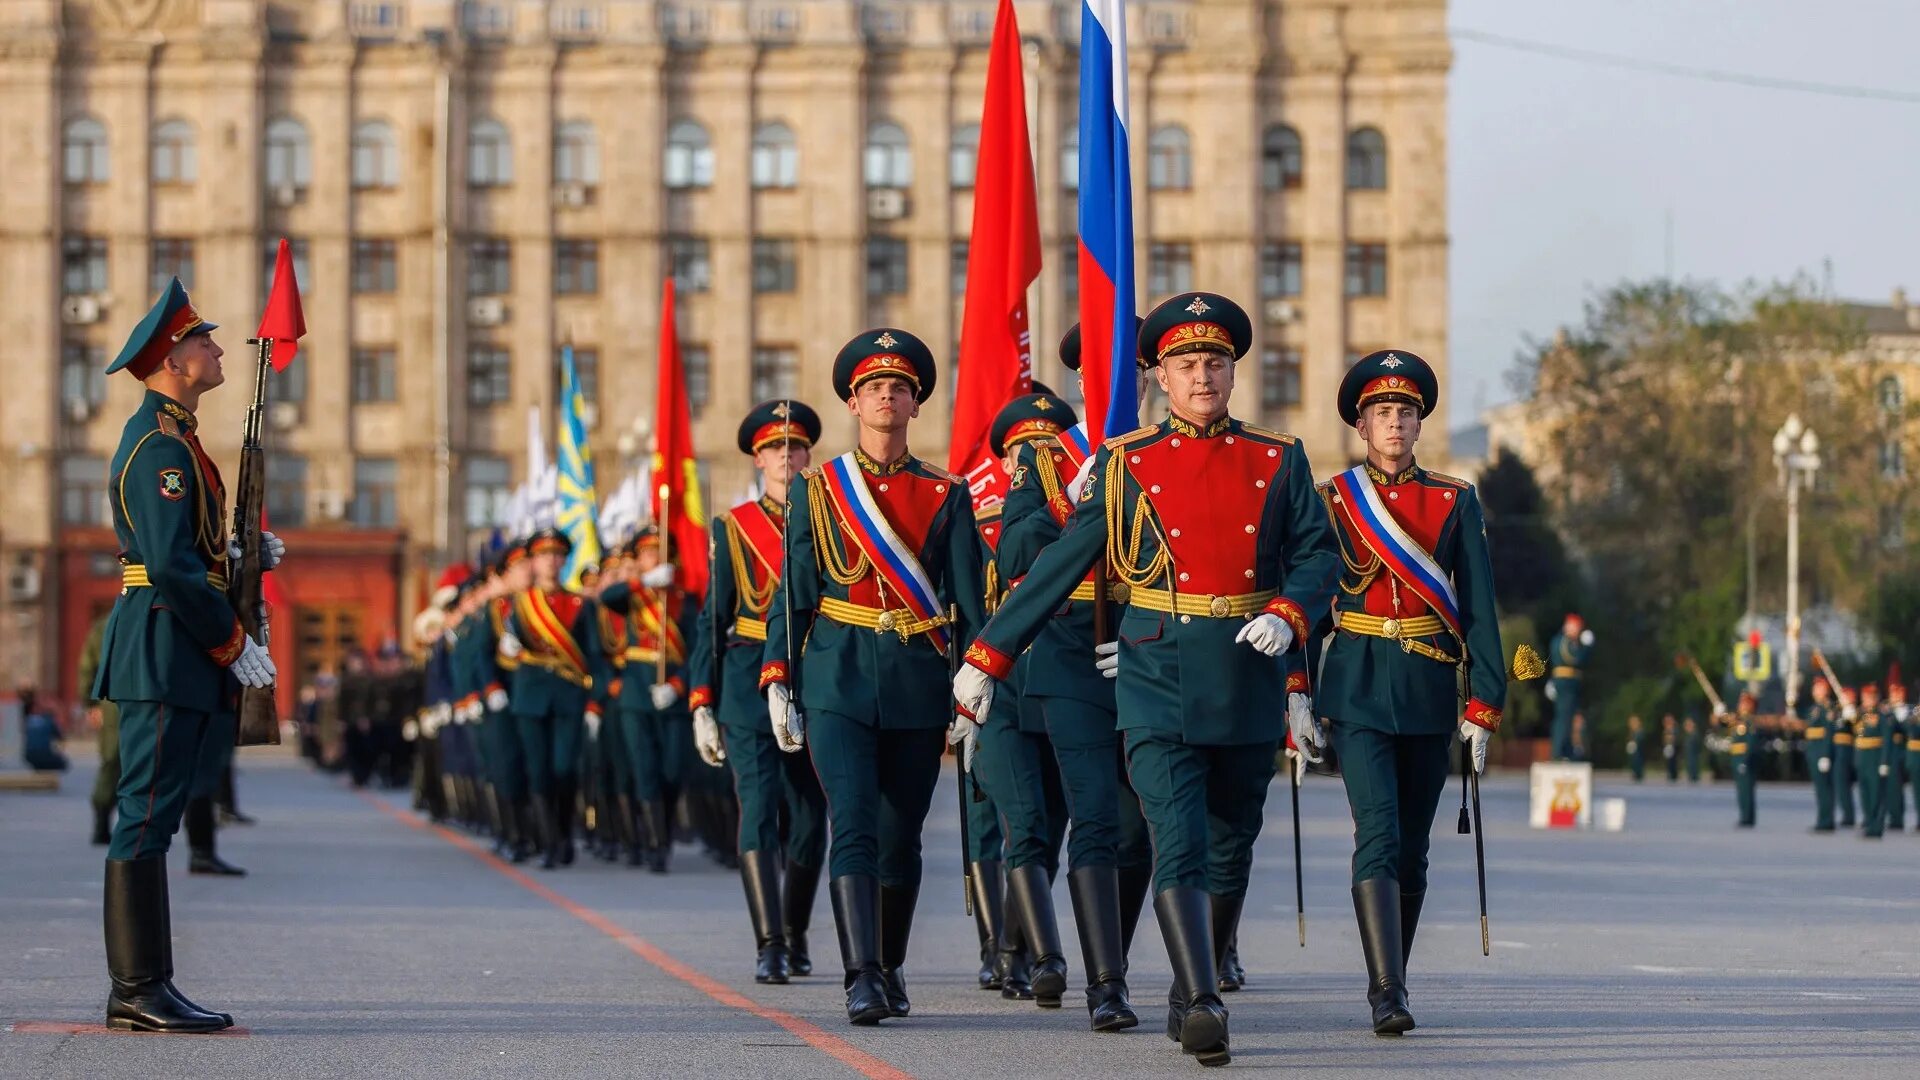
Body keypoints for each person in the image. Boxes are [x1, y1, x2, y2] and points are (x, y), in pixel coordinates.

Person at [954, 293, 1338, 1067]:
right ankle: (1200, 999)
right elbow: (1061, 564)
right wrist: (987, 655)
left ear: (1233, 372)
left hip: (1244, 671)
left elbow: (1318, 554)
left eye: (1215, 364)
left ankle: (1191, 978)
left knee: (1232, 842)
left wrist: (1293, 613)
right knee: (1177, 839)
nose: (1203, 377)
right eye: (1187, 365)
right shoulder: (1130, 462)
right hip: (1156, 673)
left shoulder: (1279, 456)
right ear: (1160, 376)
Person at [761, 328, 988, 1026]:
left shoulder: (944, 493)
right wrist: (779, 677)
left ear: (916, 404)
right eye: (873, 389)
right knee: (853, 822)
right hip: (838, 677)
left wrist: (975, 680)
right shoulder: (819, 490)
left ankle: (889, 964)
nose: (886, 397)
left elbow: (968, 601)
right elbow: (793, 593)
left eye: (899, 388)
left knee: (902, 834)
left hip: (919, 680)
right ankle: (859, 974)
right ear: (854, 403)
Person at [92, 279, 284, 1032]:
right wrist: (232, 642)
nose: (217, 348)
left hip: (175, 641)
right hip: (165, 644)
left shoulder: (175, 440)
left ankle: (149, 984)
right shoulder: (157, 447)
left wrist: (240, 556)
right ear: (173, 359)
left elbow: (190, 551)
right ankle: (136, 989)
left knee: (158, 815)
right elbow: (168, 565)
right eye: (204, 340)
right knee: (144, 817)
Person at [1308, 349, 1505, 1038]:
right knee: (1379, 834)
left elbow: (1479, 605)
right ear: (1361, 425)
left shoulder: (1452, 500)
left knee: (1413, 849)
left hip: (1426, 686)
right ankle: (1385, 990)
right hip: (1358, 685)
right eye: (1382, 413)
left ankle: (1395, 969)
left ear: (1419, 424)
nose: (1395, 423)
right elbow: (1306, 599)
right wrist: (1297, 688)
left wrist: (1485, 701)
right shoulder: (1332, 501)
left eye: (1405, 412)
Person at [690, 400, 831, 983]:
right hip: (748, 681)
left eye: (796, 448)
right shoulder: (732, 528)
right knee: (757, 806)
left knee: (809, 816)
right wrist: (701, 698)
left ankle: (795, 928)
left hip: (813, 676)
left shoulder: (829, 517)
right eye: (775, 449)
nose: (786, 458)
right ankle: (768, 940)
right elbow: (711, 619)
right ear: (758, 458)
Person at [502, 528, 602, 869]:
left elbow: (594, 655)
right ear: (534, 561)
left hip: (569, 696)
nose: (551, 562)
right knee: (538, 771)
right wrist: (509, 646)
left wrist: (594, 701)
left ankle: (564, 834)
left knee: (563, 768)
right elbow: (508, 648)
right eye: (545, 556)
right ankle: (549, 842)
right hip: (530, 697)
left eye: (558, 556)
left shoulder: (579, 604)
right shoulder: (520, 604)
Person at [600, 527, 694, 873]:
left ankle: (662, 830)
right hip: (637, 694)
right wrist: (644, 582)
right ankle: (656, 844)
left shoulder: (684, 598)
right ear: (639, 561)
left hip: (672, 693)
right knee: (645, 770)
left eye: (661, 552)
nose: (655, 558)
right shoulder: (632, 596)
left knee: (672, 771)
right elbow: (607, 598)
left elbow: (698, 651)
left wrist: (678, 685)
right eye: (648, 553)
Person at [79, 614, 120, 842]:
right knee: (114, 762)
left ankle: (103, 825)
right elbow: (88, 666)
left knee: (111, 762)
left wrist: (91, 702)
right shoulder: (155, 614)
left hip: (111, 702)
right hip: (117, 704)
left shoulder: (105, 623)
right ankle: (103, 824)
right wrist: (91, 703)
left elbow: (87, 667)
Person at [1545, 614, 1593, 760]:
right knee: (1564, 717)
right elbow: (1575, 658)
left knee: (1568, 717)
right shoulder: (1565, 641)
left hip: (1568, 682)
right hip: (1566, 681)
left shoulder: (1565, 641)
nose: (1578, 631)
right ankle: (1559, 751)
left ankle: (1564, 749)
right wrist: (1586, 647)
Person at [1717, 692, 1760, 828]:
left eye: (1744, 703)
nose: (1740, 706)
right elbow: (1724, 723)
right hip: (1737, 758)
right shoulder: (1738, 721)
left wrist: (1744, 760)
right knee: (1741, 790)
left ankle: (1747, 818)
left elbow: (1751, 743)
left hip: (1744, 760)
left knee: (1746, 791)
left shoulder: (1749, 722)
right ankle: (1745, 816)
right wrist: (1720, 713)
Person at [1855, 683, 1889, 838]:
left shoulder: (1881, 717)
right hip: (1862, 758)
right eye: (1866, 697)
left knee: (1876, 793)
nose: (1868, 700)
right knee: (1865, 793)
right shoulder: (1859, 715)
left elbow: (1887, 741)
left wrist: (1884, 761)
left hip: (1875, 757)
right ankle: (1869, 822)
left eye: (1871, 697)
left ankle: (1876, 826)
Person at [1802, 677, 1836, 832]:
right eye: (1815, 688)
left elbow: (1828, 734)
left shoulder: (1828, 709)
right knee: (1819, 788)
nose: (1816, 691)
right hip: (1813, 751)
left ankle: (1827, 820)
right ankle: (1822, 818)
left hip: (1821, 751)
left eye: (1819, 688)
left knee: (1825, 788)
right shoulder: (1813, 709)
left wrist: (1825, 755)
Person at [18, 685, 69, 772]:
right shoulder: (48, 719)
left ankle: (40, 769)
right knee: (64, 764)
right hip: (44, 754)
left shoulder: (29, 719)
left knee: (40, 759)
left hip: (28, 755)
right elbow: (60, 737)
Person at [1833, 686, 1859, 827]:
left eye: (1848, 696)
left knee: (1846, 785)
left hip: (1850, 751)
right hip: (1836, 752)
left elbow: (1860, 731)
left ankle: (1850, 816)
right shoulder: (1836, 711)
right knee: (1840, 786)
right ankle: (1846, 815)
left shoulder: (1857, 712)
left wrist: (1852, 718)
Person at [1683, 714, 1704, 783]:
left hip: (1694, 765)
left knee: (1694, 779)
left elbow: (1698, 748)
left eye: (1688, 724)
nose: (1686, 727)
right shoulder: (1688, 736)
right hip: (1690, 764)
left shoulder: (1695, 735)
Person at [1625, 715, 1646, 782]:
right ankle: (1636, 773)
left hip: (1638, 750)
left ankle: (1638, 774)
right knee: (1634, 761)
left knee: (1638, 761)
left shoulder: (1639, 731)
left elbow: (1639, 740)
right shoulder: (1632, 732)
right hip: (1634, 750)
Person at [1660, 714, 1680, 783]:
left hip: (1674, 749)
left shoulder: (1675, 730)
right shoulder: (1665, 730)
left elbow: (1676, 740)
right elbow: (1664, 741)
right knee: (1668, 763)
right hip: (1667, 749)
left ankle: (1674, 775)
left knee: (1673, 763)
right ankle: (1669, 774)